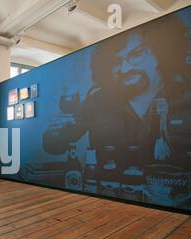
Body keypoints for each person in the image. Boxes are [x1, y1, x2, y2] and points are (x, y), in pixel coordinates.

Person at [43, 14, 191, 171]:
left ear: (159, 51)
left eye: (136, 54)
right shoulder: (97, 100)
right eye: (116, 63)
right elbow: (54, 147)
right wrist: (53, 131)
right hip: (109, 189)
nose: (125, 69)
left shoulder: (186, 96)